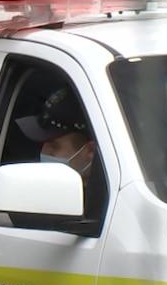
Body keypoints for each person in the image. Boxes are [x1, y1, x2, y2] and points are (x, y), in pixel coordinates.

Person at [15, 86, 105, 217]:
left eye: (53, 147)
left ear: (90, 151)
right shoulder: (34, 193)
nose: (44, 152)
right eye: (42, 144)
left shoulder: (104, 211)